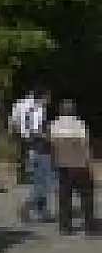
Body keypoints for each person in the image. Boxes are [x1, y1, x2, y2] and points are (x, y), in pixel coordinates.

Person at [47, 99, 95, 235]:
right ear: (73, 110)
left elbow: (52, 144)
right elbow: (85, 145)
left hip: (63, 165)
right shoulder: (80, 124)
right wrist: (89, 162)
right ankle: (89, 226)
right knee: (86, 195)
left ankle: (65, 226)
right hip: (79, 164)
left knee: (64, 196)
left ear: (61, 110)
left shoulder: (54, 125)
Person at [21, 134, 53, 223]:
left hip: (41, 153)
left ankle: (42, 212)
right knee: (41, 188)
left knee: (43, 188)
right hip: (40, 154)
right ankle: (29, 208)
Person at [10, 89, 36, 183]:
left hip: (21, 133)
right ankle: (29, 175)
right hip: (31, 133)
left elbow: (14, 120)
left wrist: (14, 132)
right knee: (31, 154)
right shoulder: (36, 105)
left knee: (21, 155)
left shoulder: (18, 104)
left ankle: (21, 176)